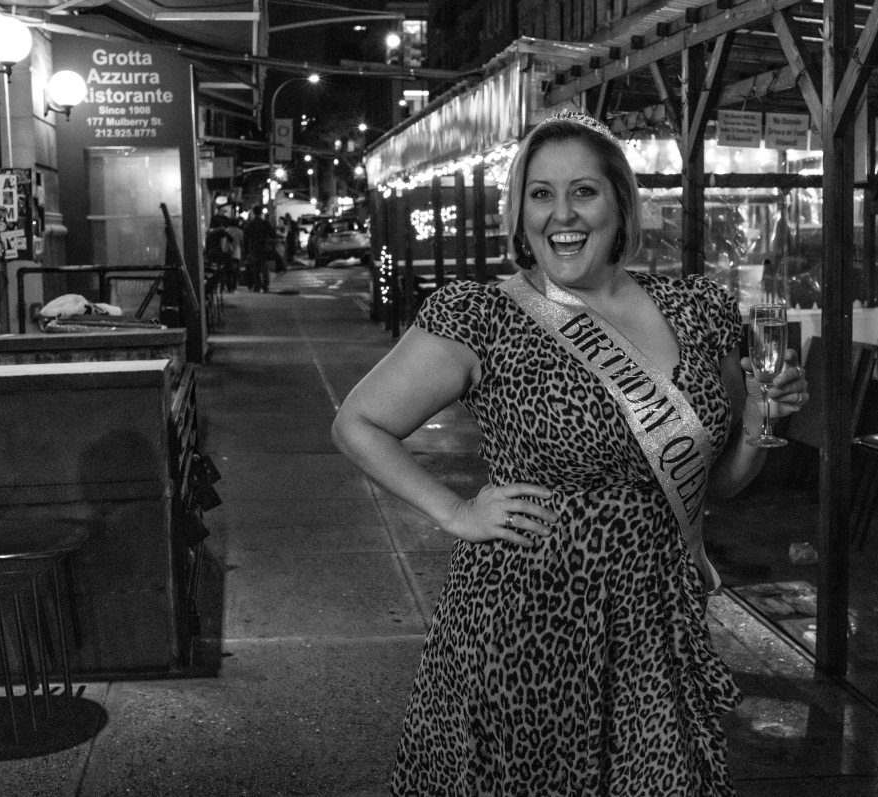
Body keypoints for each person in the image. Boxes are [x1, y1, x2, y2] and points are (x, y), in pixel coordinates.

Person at [331, 110, 809, 794]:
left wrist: (761, 417)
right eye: (541, 194)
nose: (562, 213)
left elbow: (721, 483)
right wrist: (456, 512)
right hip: (525, 623)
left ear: (620, 203)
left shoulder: (698, 310)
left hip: (655, 623)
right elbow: (358, 422)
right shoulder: (485, 316)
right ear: (521, 213)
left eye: (583, 191)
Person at [242, 206, 275, 293]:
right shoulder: (265, 223)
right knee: (264, 268)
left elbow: (245, 239)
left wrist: (246, 251)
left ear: (253, 213)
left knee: (255, 268)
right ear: (261, 213)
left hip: (254, 248)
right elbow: (273, 234)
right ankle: (265, 286)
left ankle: (257, 285)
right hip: (264, 247)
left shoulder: (250, 224)